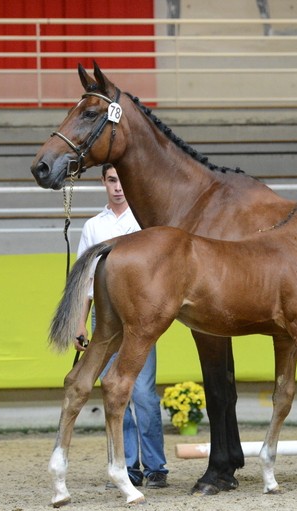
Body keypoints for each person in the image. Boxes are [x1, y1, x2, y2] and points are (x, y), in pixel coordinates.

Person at [74, 163, 169, 489]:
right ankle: (126, 465)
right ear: (103, 182)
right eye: (111, 180)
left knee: (143, 393)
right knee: (115, 391)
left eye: (120, 181)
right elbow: (86, 279)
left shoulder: (143, 222)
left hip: (141, 318)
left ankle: (156, 465)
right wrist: (80, 321)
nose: (117, 187)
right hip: (105, 317)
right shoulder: (92, 227)